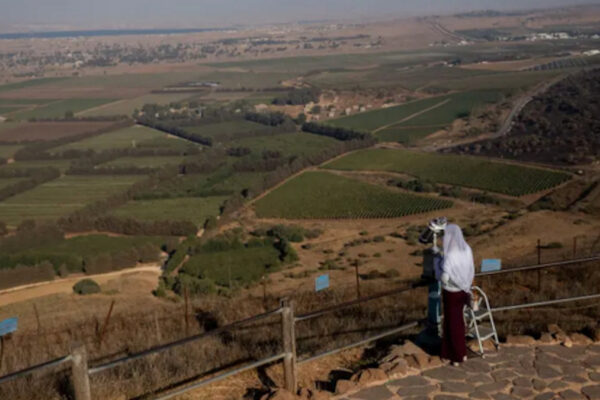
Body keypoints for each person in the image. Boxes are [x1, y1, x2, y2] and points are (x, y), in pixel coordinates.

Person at [437, 224, 475, 365]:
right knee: (458, 321)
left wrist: (438, 266)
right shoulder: (467, 249)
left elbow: (445, 278)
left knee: (452, 324)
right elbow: (471, 268)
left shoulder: (451, 255)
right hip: (464, 290)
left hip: (451, 293)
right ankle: (450, 352)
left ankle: (457, 355)